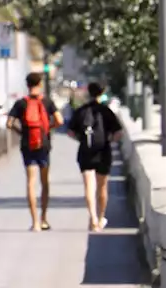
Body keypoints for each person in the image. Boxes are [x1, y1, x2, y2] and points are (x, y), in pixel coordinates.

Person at [7, 72, 63, 231]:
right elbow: (60, 120)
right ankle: (44, 218)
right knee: (44, 182)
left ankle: (35, 222)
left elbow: (9, 123)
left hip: (27, 145)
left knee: (30, 182)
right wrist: (47, 129)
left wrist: (22, 133)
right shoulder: (47, 102)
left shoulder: (20, 103)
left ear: (27, 85)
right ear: (39, 84)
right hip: (44, 145)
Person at [66, 82, 124, 231]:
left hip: (85, 152)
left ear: (88, 93)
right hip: (103, 152)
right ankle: (100, 217)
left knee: (89, 187)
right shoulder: (106, 111)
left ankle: (92, 218)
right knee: (102, 187)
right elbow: (118, 133)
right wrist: (109, 139)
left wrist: (81, 139)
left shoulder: (81, 111)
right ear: (102, 92)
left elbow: (71, 132)